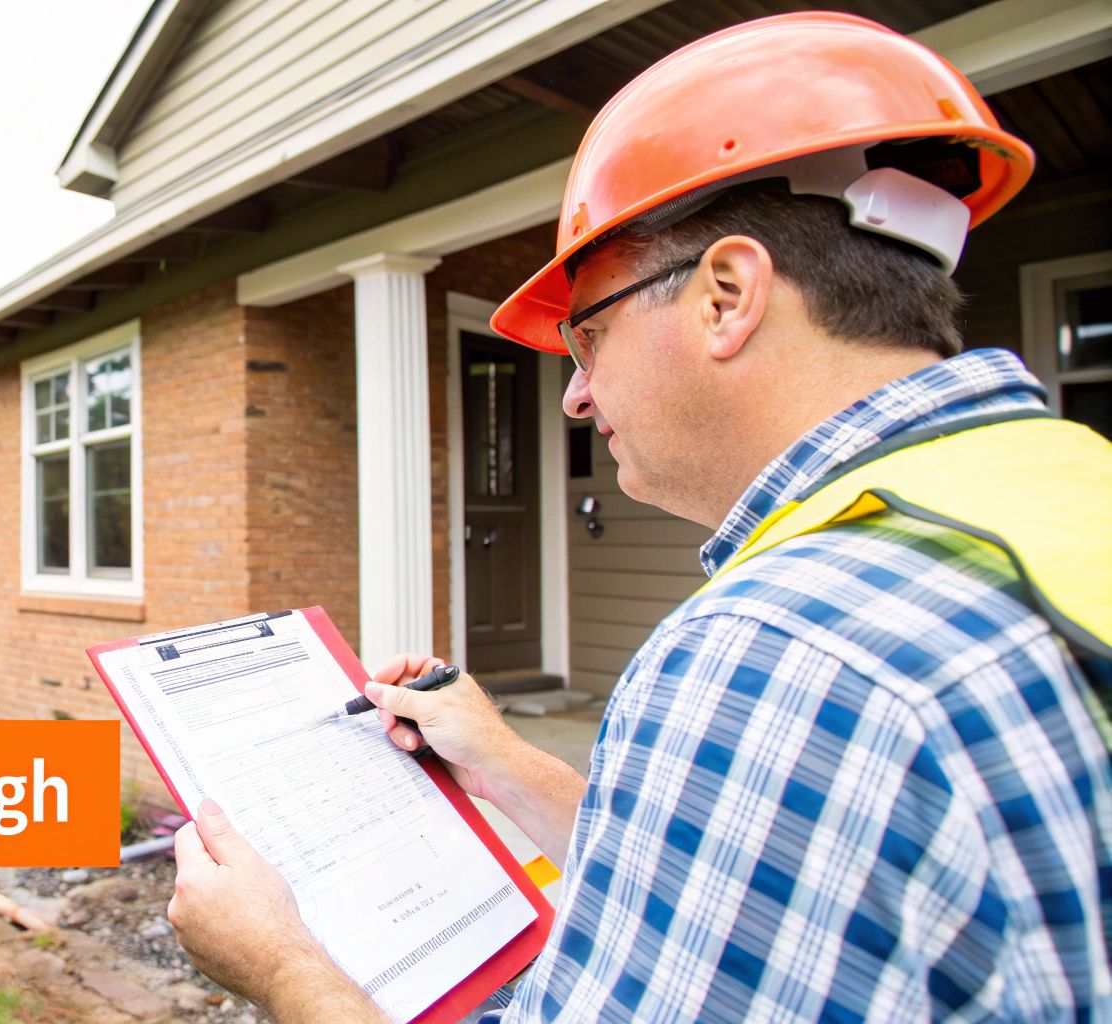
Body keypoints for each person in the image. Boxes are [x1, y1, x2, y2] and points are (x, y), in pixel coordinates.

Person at [166, 12, 1112, 1022]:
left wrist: (279, 962)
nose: (573, 396)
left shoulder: (777, 653)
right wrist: (507, 763)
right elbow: (734, 890)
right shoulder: (1051, 489)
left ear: (723, 295)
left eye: (586, 336)